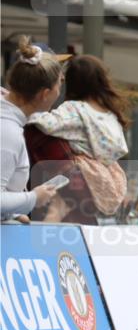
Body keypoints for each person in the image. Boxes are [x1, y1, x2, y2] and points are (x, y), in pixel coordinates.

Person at [24, 55, 131, 222]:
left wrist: (24, 112)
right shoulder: (109, 113)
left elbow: (49, 124)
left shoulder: (75, 109)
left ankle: (39, 247)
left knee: (56, 209)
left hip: (83, 173)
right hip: (110, 175)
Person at [1, 38, 66, 220]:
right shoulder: (7, 132)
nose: (59, 92)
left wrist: (10, 213)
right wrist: (33, 198)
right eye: (59, 84)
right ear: (45, 94)